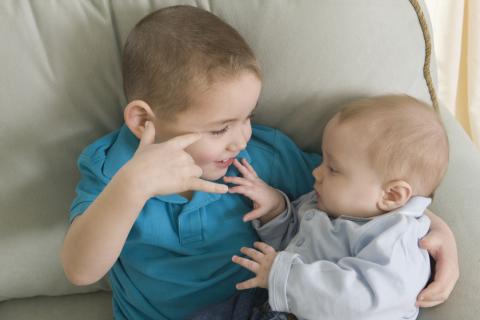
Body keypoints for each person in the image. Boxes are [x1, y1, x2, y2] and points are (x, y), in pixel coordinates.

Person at [60, 5, 458, 320]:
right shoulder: (114, 170)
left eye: (247, 117)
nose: (241, 138)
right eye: (220, 129)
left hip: (262, 307)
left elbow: (359, 191)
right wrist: (133, 187)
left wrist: (432, 227)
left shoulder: (262, 156)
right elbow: (81, 270)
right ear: (145, 121)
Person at [224, 95, 450, 320]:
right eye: (323, 160)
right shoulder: (329, 204)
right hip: (272, 299)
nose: (317, 172)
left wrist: (284, 276)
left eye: (332, 168)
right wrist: (275, 211)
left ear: (391, 195)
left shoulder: (395, 241)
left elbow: (361, 304)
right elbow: (296, 246)